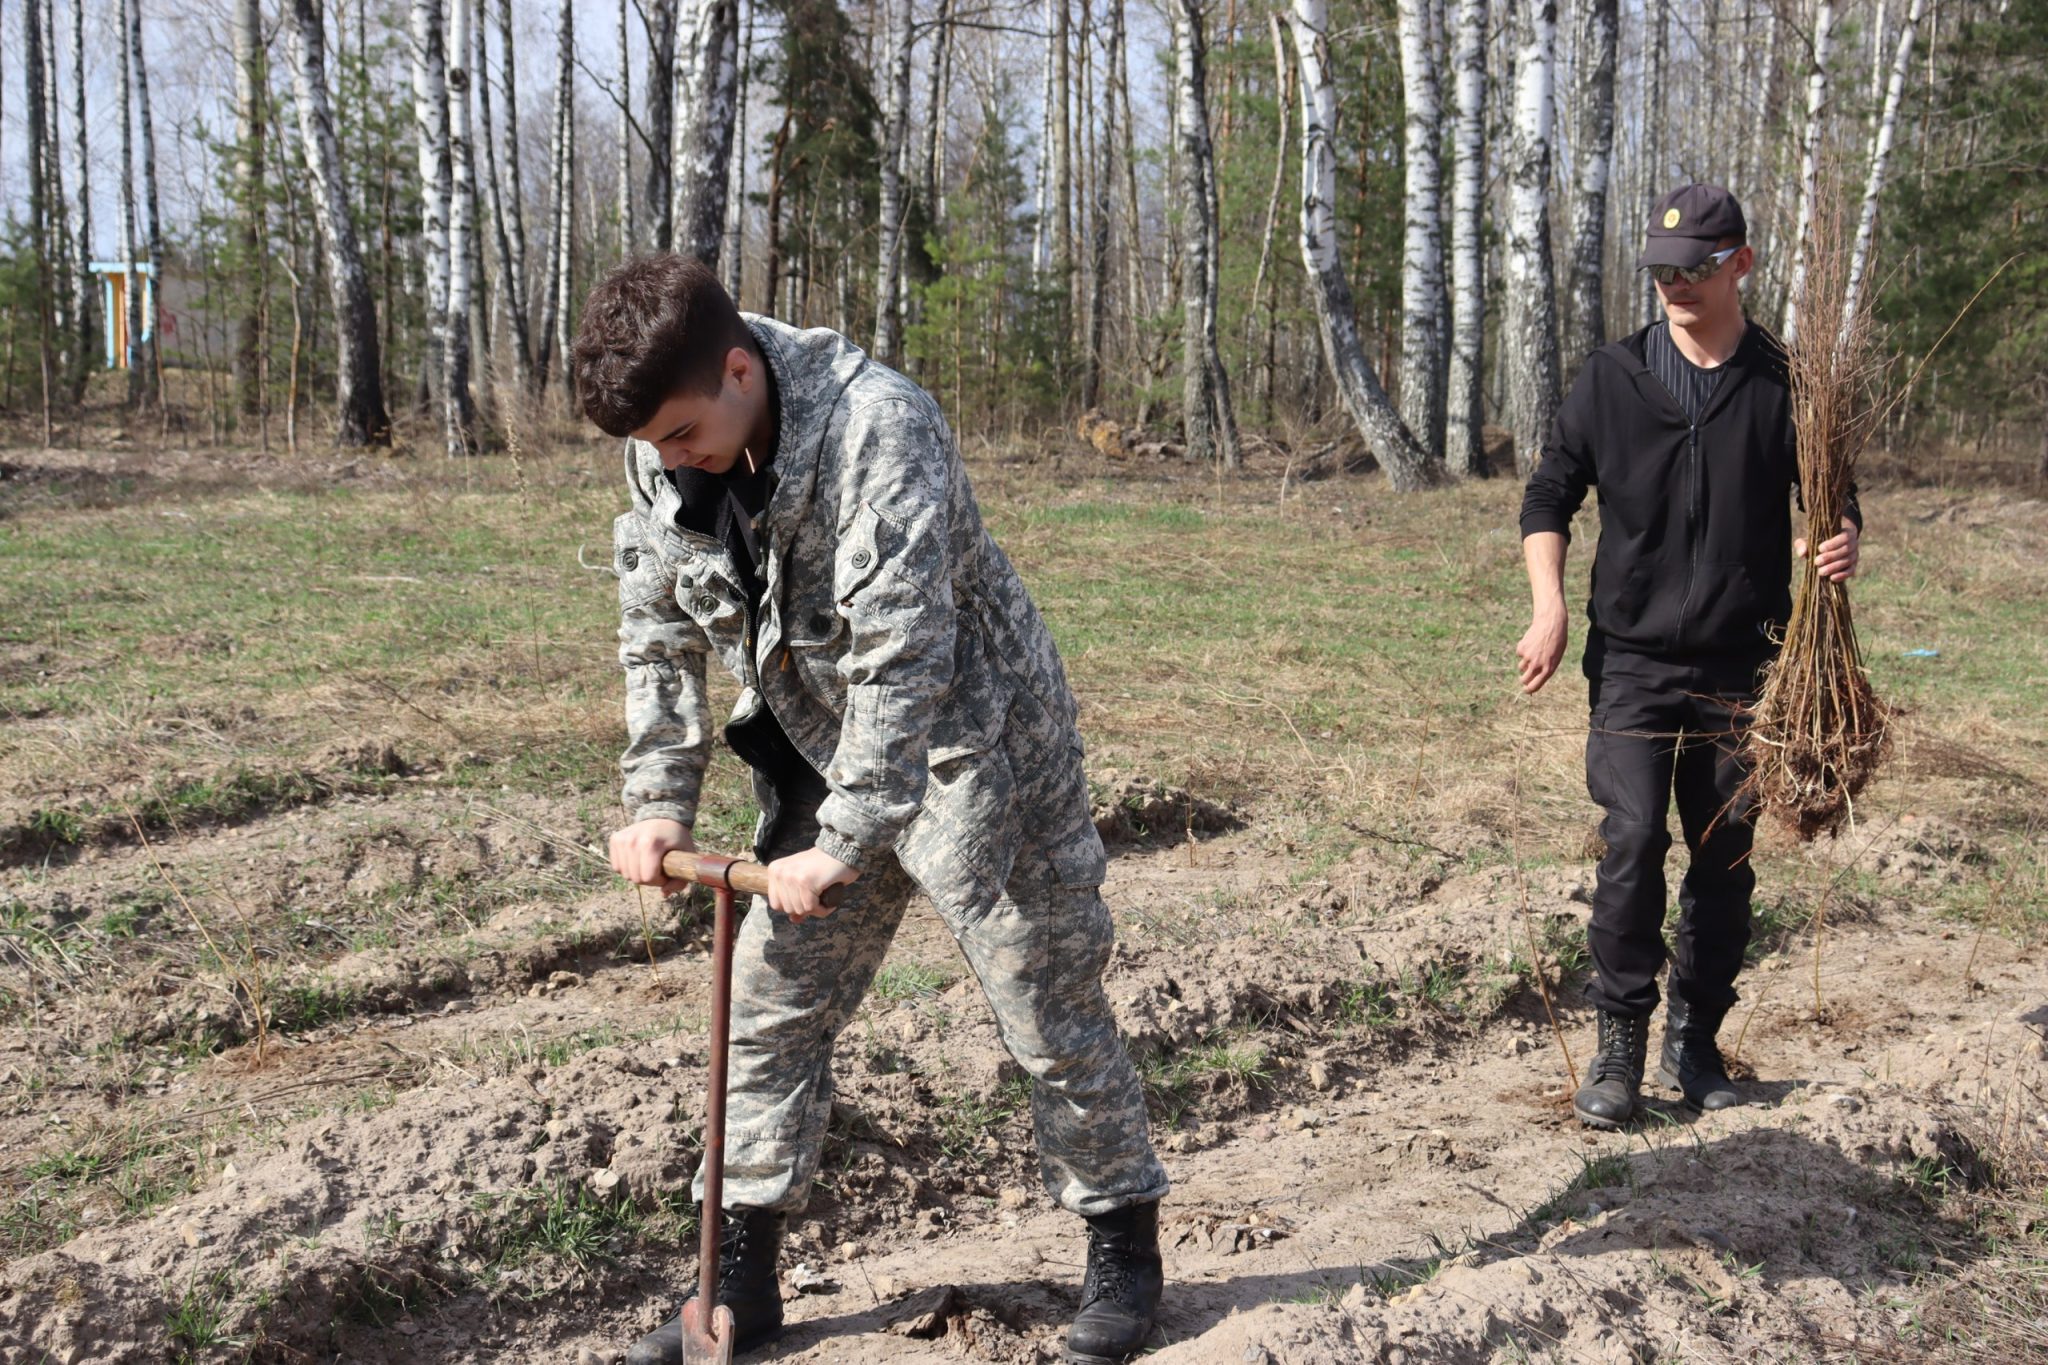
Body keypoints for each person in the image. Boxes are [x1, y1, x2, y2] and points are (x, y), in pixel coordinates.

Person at [572, 254, 1169, 1363]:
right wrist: (658, 802)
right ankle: (738, 1283)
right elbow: (654, 629)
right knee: (767, 1011)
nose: (668, 459)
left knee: (1045, 1002)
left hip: (978, 748)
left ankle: (1122, 1248)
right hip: (817, 741)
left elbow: (903, 656)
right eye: (652, 444)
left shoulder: (879, 427)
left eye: (682, 434)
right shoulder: (664, 445)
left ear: (739, 370)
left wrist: (846, 840)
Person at [1515, 184, 1863, 1130]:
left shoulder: (1787, 382)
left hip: (1745, 667)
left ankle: (1696, 1039)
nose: (1673, 285)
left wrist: (1836, 542)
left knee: (1725, 856)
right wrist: (1550, 606)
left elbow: (1831, 501)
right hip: (1631, 659)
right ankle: (1619, 1043)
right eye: (1660, 270)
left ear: (1740, 263)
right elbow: (1549, 496)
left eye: (1694, 268)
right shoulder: (1614, 376)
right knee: (1633, 837)